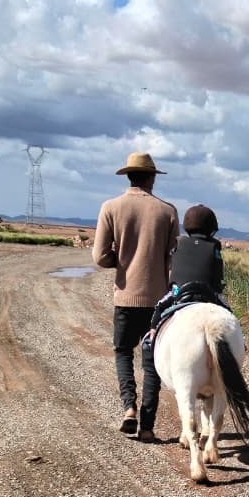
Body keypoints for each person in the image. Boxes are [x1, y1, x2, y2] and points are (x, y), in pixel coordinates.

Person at [93, 151, 179, 441]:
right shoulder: (168, 211)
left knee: (122, 352)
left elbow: (99, 256)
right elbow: (173, 259)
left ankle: (128, 407)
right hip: (158, 301)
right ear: (152, 177)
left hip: (125, 297)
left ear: (129, 175)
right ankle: (148, 426)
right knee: (152, 360)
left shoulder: (111, 207)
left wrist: (121, 262)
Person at [146, 205, 229, 340]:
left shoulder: (178, 243)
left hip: (178, 292)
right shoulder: (215, 247)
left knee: (159, 308)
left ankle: (151, 340)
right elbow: (218, 274)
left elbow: (172, 269)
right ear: (212, 228)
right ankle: (239, 343)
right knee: (229, 313)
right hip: (208, 293)